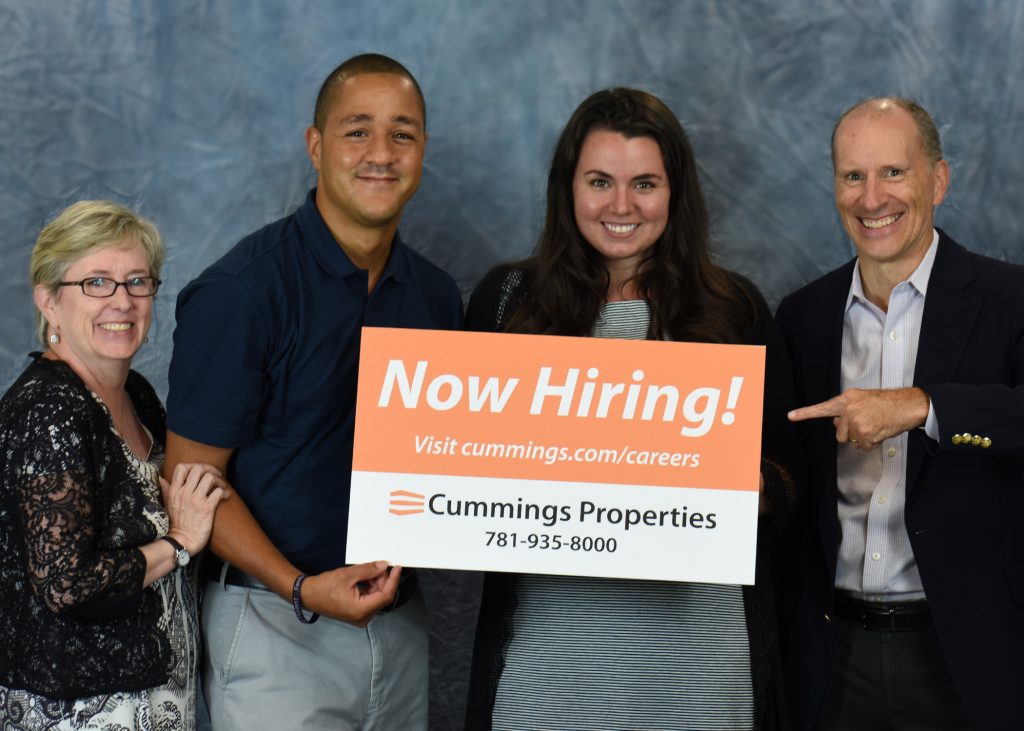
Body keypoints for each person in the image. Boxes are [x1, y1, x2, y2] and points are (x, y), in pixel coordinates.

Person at [463, 87, 803, 731]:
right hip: (546, 679)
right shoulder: (507, 304)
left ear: (676, 193)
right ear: (568, 188)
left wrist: (740, 480)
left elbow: (791, 487)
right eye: (599, 181)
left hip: (702, 679)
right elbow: (451, 468)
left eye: (644, 183)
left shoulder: (736, 312)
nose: (621, 206)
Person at [163, 53, 463, 730]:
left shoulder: (437, 296)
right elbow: (189, 477)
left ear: (422, 150)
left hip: (400, 624)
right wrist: (297, 585)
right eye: (357, 130)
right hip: (275, 623)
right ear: (316, 144)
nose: (380, 153)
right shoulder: (243, 290)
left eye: (402, 133)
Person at [776, 97, 1024, 730]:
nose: (871, 198)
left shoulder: (1010, 298)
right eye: (853, 176)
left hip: (969, 653)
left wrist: (924, 405)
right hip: (833, 654)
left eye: (893, 172)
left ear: (938, 180)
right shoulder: (801, 316)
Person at [0, 200, 226, 730]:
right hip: (79, 708)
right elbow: (67, 584)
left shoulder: (137, 396)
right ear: (49, 301)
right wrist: (179, 544)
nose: (121, 301)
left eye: (137, 282)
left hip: (155, 694)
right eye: (96, 283)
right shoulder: (48, 412)